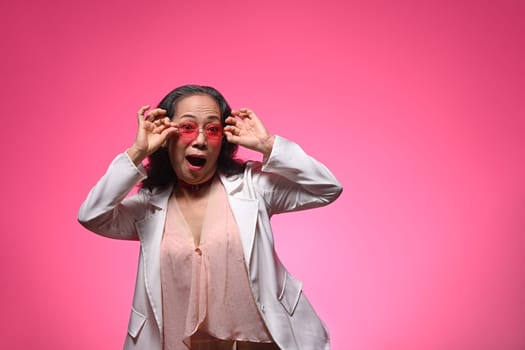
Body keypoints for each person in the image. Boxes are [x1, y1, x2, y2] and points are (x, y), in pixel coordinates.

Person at [78, 85, 343, 350]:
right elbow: (92, 215)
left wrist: (269, 146)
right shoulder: (148, 206)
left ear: (223, 141)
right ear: (166, 137)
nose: (201, 140)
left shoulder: (252, 187)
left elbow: (327, 188)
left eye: (213, 130)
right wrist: (137, 153)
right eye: (187, 128)